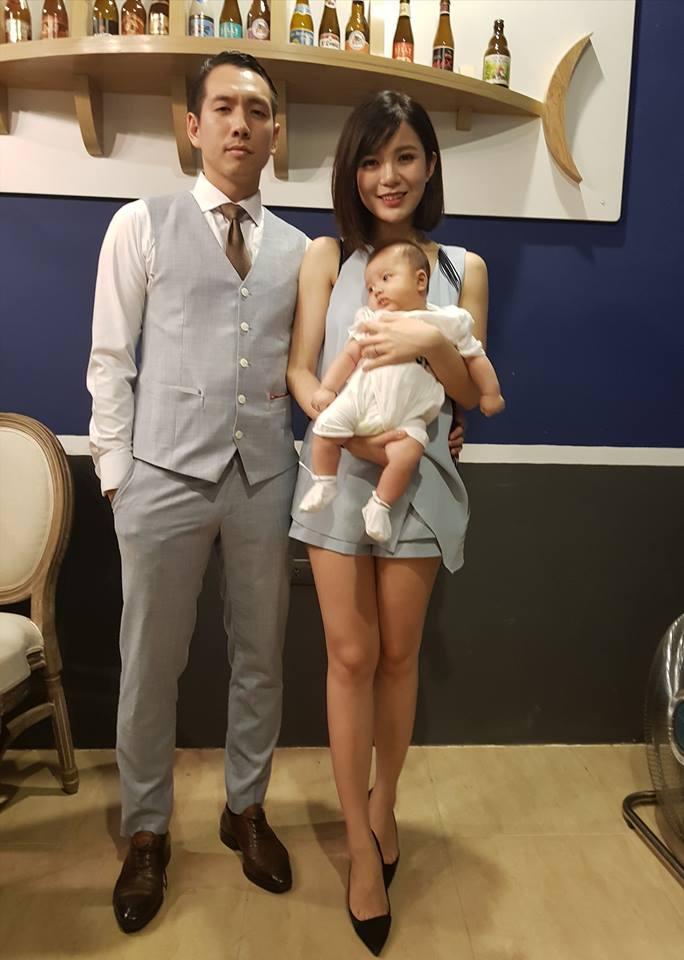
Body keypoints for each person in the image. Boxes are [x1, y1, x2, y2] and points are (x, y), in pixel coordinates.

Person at [86, 51, 307, 933]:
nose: (240, 123)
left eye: (256, 109)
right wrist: (117, 478)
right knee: (151, 664)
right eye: (223, 107)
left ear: (275, 132)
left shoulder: (301, 250)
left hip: (265, 477)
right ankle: (146, 830)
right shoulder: (139, 224)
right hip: (162, 478)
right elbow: (111, 358)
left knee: (261, 655)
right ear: (193, 125)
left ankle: (244, 808)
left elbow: (317, 367)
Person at [287, 90, 490, 955]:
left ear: (430, 165)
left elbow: (466, 386)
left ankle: (386, 803)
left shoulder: (463, 269)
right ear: (352, 171)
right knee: (350, 657)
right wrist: (341, 426)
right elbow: (303, 372)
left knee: (400, 657)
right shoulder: (327, 256)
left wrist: (426, 343)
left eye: (405, 156)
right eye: (371, 160)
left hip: (420, 477)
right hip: (339, 475)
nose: (388, 176)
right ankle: (359, 847)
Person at [299, 239, 503, 542]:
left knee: (407, 454)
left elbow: (476, 358)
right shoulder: (372, 318)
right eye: (370, 288)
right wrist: (328, 388)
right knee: (326, 429)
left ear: (420, 280)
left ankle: (379, 505)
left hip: (410, 415)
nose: (377, 291)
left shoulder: (445, 320)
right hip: (361, 400)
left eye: (385, 279)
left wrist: (490, 393)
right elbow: (349, 356)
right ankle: (324, 481)